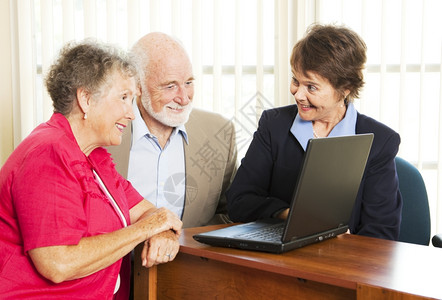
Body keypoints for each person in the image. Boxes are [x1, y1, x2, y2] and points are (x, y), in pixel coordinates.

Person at [0, 40, 182, 299]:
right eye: (123, 98)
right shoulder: (48, 153)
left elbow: (147, 212)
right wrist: (148, 229)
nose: (131, 114)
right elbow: (57, 264)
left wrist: (162, 231)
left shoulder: (93, 157)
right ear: (85, 99)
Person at [227, 24, 402, 240]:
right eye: (295, 81)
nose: (298, 94)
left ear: (345, 89)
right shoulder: (274, 125)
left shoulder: (380, 141)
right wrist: (292, 216)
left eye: (311, 87)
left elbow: (382, 232)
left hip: (345, 264)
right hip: (281, 257)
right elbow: (238, 201)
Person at [108, 32, 237, 228]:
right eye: (170, 86)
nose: (184, 98)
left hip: (189, 257)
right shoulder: (104, 132)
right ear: (138, 86)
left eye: (188, 83)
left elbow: (231, 214)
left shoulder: (220, 132)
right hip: (120, 257)